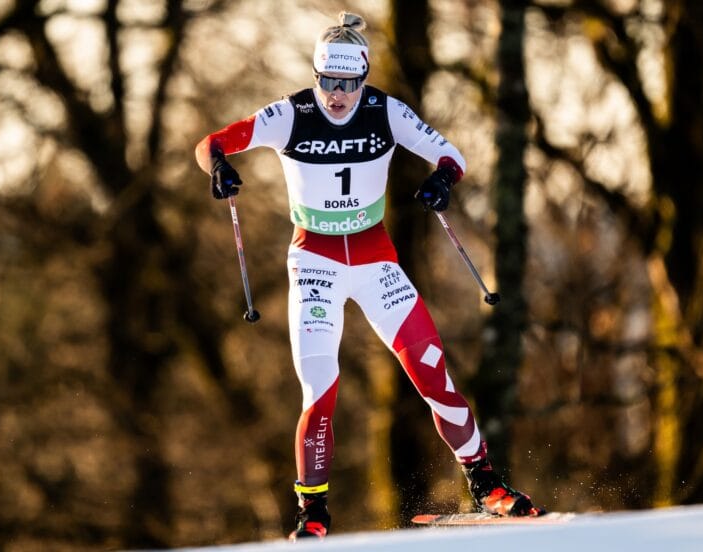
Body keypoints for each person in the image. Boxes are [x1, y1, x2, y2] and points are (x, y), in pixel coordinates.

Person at [195, 11, 542, 540]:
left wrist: (443, 180)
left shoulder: (387, 110)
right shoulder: (291, 113)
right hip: (315, 261)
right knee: (320, 388)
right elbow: (212, 142)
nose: (337, 95)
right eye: (328, 82)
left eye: (349, 83)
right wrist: (218, 166)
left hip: (377, 259)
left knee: (432, 373)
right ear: (316, 77)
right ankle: (312, 511)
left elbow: (451, 154)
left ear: (363, 77)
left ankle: (486, 483)